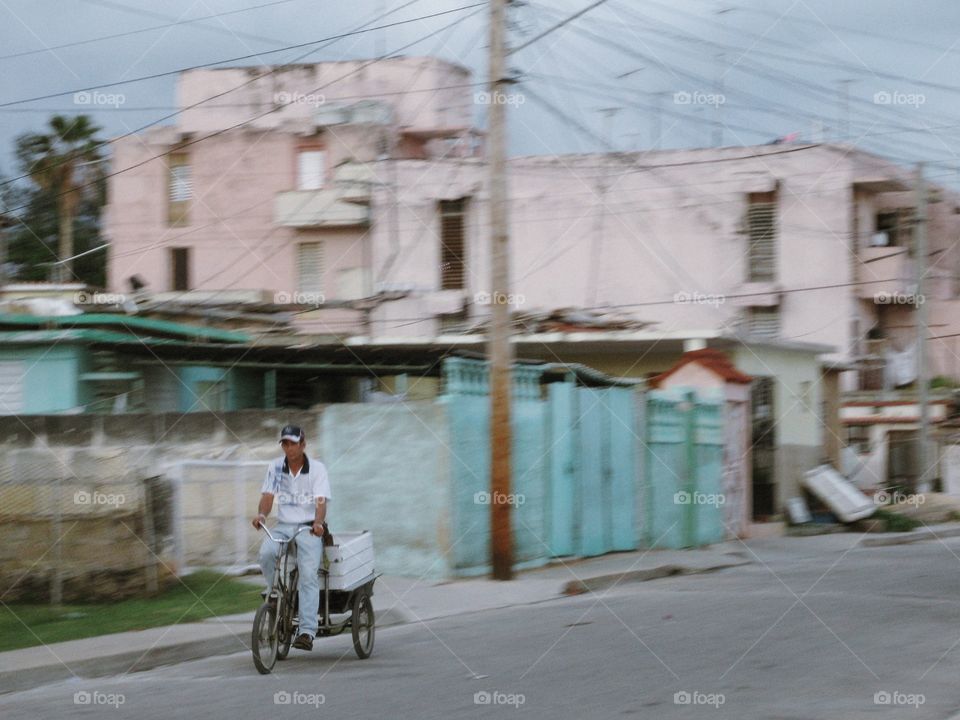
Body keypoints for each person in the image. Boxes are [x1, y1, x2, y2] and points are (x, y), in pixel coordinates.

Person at [252, 424, 331, 651]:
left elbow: (321, 501)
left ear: (303, 445)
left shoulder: (317, 469)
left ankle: (307, 631)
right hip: (284, 526)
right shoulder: (275, 467)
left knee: (308, 575)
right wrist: (261, 515)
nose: (288, 448)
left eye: (293, 443)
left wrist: (317, 523)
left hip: (308, 528)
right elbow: (268, 496)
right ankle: (275, 593)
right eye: (285, 443)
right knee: (266, 553)